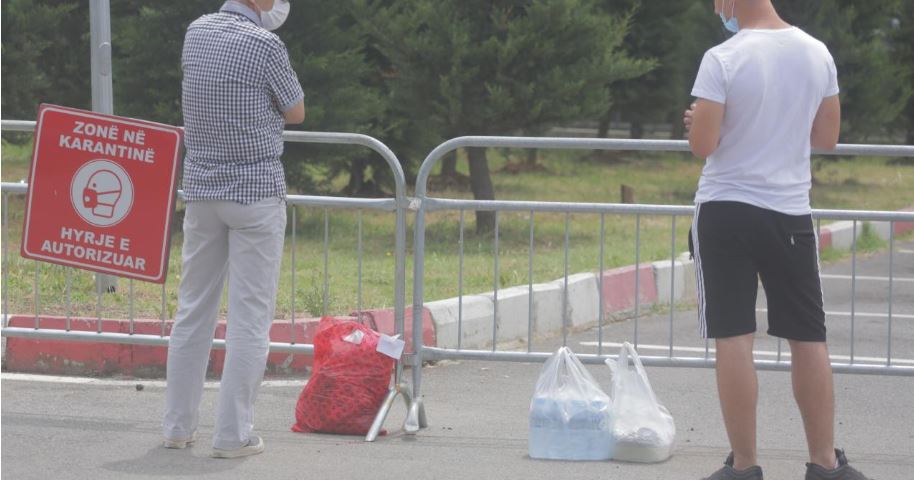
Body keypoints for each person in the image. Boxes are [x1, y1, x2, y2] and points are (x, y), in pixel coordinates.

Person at [684, 1, 872, 479]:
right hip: (790, 212)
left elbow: (704, 144)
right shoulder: (816, 53)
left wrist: (698, 123)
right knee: (809, 338)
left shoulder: (722, 57)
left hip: (725, 209)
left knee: (733, 339)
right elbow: (826, 135)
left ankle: (745, 465)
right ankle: (825, 463)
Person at [162, 0, 304, 459]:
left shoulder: (196, 31)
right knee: (249, 318)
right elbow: (296, 110)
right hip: (255, 191)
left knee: (193, 310)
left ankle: (177, 427)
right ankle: (232, 435)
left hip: (201, 189)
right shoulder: (266, 44)